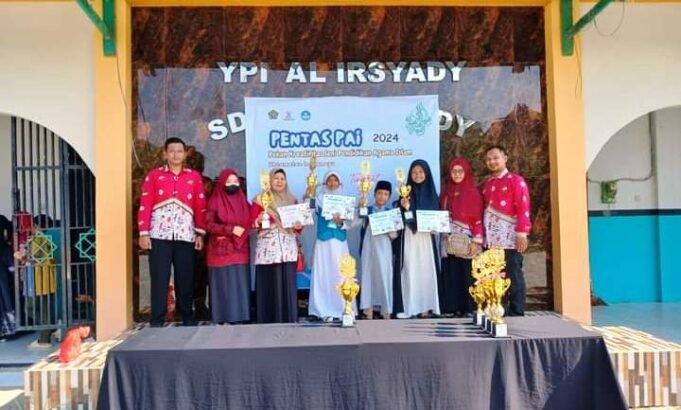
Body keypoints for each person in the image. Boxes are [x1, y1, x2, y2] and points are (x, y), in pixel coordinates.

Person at [137, 137, 207, 327]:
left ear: (185, 154)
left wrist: (200, 234)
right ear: (165, 154)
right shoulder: (154, 176)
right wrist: (144, 233)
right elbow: (145, 204)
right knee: (159, 279)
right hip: (159, 236)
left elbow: (200, 206)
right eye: (172, 151)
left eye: (179, 151)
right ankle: (157, 321)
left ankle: (187, 318)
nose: (176, 155)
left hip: (186, 235)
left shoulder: (194, 177)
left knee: (185, 279)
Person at [481, 145, 531, 316]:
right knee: (494, 277)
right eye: (488, 159)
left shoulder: (516, 181)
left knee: (513, 275)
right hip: (491, 240)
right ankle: (498, 311)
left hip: (510, 240)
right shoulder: (487, 184)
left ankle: (517, 312)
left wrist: (522, 233)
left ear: (505, 158)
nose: (492, 161)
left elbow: (523, 208)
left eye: (495, 158)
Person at [393, 160, 440, 318]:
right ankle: (409, 307)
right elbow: (401, 219)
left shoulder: (432, 195)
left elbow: (437, 219)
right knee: (410, 269)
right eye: (414, 172)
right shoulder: (405, 194)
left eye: (421, 172)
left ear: (426, 173)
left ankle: (426, 307)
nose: (417, 175)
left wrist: (436, 227)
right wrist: (406, 208)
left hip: (426, 240)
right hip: (410, 237)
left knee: (426, 270)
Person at [252, 168, 300, 323]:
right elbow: (252, 222)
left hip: (287, 248)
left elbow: (298, 227)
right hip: (268, 250)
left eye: (282, 179)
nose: (279, 181)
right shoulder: (260, 200)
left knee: (287, 282)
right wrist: (259, 219)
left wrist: (299, 224)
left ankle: (288, 318)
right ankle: (268, 319)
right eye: (276, 178)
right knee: (269, 282)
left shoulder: (292, 200)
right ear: (270, 181)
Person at [205, 169, 251, 324]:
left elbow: (250, 220)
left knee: (239, 285)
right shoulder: (215, 200)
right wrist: (230, 230)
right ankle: (222, 317)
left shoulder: (243, 200)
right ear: (222, 183)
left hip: (240, 249)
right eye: (229, 181)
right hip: (221, 250)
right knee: (223, 284)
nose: (233, 184)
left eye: (236, 182)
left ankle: (241, 317)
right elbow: (208, 224)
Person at [439, 158, 483, 317]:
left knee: (466, 274)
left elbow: (477, 218)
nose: (457, 174)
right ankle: (452, 308)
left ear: (466, 172)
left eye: (460, 171)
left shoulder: (472, 193)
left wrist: (477, 241)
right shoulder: (445, 193)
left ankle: (468, 308)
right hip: (449, 241)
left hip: (467, 241)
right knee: (451, 273)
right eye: (454, 171)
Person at [308, 171, 356, 321]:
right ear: (324, 182)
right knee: (323, 274)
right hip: (323, 242)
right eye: (329, 180)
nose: (332, 183)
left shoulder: (345, 201)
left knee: (341, 274)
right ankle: (322, 310)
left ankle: (343, 308)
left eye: (335, 180)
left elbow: (350, 223)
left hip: (340, 243)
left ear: (340, 183)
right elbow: (308, 210)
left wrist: (341, 222)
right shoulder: (318, 199)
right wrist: (309, 192)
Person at [359, 181, 396, 320]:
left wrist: (386, 227)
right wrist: (361, 208)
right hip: (368, 247)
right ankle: (367, 308)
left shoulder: (391, 213)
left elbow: (394, 235)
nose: (382, 196)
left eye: (385, 194)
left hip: (384, 248)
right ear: (374, 194)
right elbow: (355, 223)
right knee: (368, 275)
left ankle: (386, 309)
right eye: (379, 193)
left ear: (389, 196)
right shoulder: (367, 210)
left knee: (385, 276)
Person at [0, 215, 16, 340]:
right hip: (4, 279)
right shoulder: (4, 247)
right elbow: (12, 268)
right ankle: (11, 329)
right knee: (7, 297)